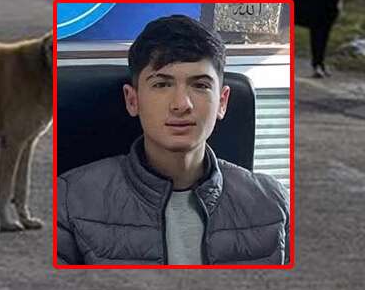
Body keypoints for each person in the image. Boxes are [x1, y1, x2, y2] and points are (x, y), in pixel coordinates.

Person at [56, 15, 290, 265]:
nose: (181, 105)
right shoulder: (69, 200)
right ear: (132, 100)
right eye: (161, 85)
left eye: (200, 85)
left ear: (222, 102)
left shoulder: (272, 201)